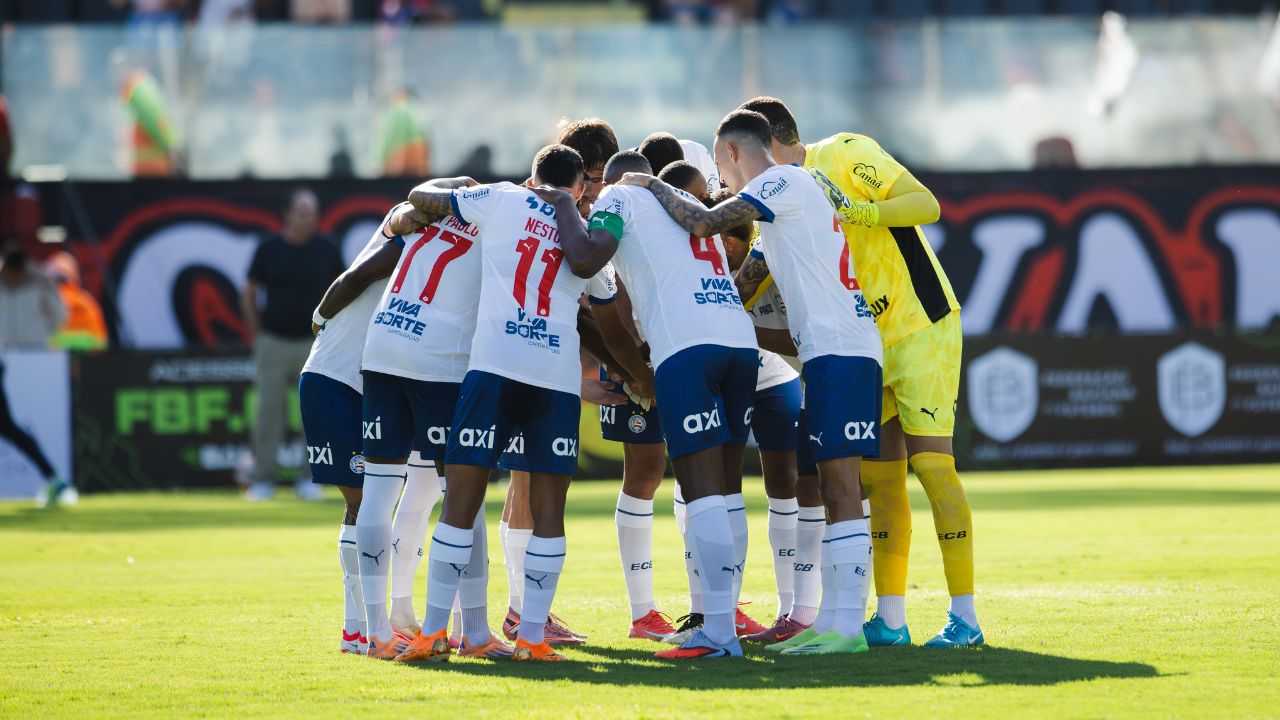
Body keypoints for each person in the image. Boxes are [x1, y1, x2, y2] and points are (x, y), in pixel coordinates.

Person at [618, 109, 882, 655]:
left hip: (841, 351)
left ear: (735, 152)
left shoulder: (780, 182)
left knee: (840, 487)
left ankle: (846, 629)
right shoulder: (787, 205)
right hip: (834, 349)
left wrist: (648, 185)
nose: (721, 182)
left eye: (721, 166)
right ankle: (833, 623)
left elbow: (704, 222)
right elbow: (741, 290)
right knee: (831, 485)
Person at [739, 96, 982, 648]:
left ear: (772, 143)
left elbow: (926, 204)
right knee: (881, 479)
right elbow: (753, 275)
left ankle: (965, 618)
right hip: (864, 344)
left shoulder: (845, 153)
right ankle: (891, 620)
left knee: (933, 465)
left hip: (921, 325)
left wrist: (860, 210)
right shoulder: (778, 200)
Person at [396, 144, 605, 663]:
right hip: (552, 376)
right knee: (549, 510)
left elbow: (420, 196)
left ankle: (431, 632)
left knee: (460, 503)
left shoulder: (500, 198)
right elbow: (601, 296)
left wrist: (460, 186)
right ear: (578, 186)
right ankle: (532, 638)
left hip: (493, 367)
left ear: (532, 174)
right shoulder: (580, 226)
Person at [549, 149, 760, 659]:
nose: (594, 195)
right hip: (738, 341)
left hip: (688, 348)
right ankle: (721, 620)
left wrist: (560, 205)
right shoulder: (685, 199)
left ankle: (717, 635)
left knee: (701, 486)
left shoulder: (619, 197)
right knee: (728, 488)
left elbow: (585, 258)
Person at [498, 118, 620, 647]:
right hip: (514, 362)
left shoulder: (548, 210)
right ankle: (521, 614)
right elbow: (550, 308)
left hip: (529, 361)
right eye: (592, 177)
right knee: (524, 486)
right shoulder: (549, 216)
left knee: (520, 485)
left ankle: (518, 611)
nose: (596, 189)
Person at [298, 202, 425, 656]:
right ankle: (361, 628)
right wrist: (319, 315)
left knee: (371, 505)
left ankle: (364, 627)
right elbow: (351, 279)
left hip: (369, 386)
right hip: (332, 381)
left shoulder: (440, 258)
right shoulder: (402, 241)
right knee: (365, 502)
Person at [241, 189, 343, 501]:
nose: (307, 217)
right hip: (274, 341)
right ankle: (262, 480)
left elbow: (343, 289)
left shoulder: (327, 248)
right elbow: (249, 291)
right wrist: (257, 333)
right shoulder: (268, 248)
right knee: (268, 413)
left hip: (315, 344)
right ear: (287, 214)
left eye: (312, 212)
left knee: (313, 414)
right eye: (301, 211)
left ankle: (310, 478)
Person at [0, 243, 74, 506]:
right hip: (5, 355)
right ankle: (54, 479)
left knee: (7, 427)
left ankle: (54, 479)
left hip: (34, 354)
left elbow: (60, 317)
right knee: (8, 427)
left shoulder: (41, 281)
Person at [45, 252, 109, 351]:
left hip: (75, 362)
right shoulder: (87, 302)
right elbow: (100, 343)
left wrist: (59, 341)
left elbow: (98, 342)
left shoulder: (84, 304)